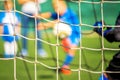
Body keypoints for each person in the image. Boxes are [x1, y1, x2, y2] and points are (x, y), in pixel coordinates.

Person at [37, 0, 80, 75]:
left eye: (58, 8)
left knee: (72, 50)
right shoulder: (58, 13)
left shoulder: (69, 13)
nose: (56, 10)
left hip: (75, 33)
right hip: (66, 34)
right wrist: (39, 15)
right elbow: (49, 14)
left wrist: (45, 25)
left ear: (64, 6)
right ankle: (66, 65)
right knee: (69, 50)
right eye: (55, 8)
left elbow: (58, 21)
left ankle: (65, 66)